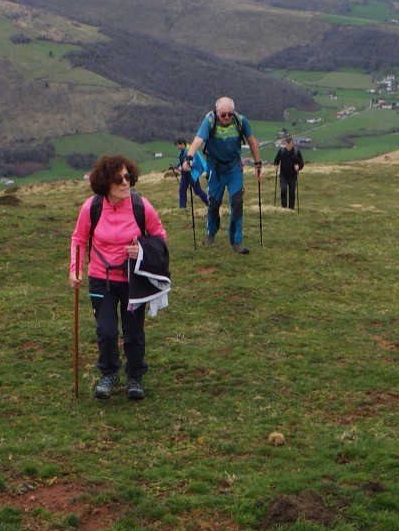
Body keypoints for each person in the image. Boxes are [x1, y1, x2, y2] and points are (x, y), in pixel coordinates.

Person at [69, 155, 167, 401]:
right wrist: (76, 270)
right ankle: (108, 375)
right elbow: (79, 240)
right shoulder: (91, 208)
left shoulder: (141, 206)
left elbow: (160, 238)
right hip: (100, 279)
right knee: (107, 331)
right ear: (105, 183)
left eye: (128, 177)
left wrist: (141, 250)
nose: (126, 183)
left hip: (133, 280)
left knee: (133, 332)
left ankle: (135, 377)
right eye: (119, 179)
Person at [181, 96, 262, 254]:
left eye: (230, 114)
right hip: (215, 170)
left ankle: (236, 241)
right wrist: (189, 158)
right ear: (216, 112)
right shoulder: (209, 122)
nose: (227, 117)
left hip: (234, 169)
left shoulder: (240, 121)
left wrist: (258, 164)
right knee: (213, 204)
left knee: (237, 202)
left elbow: (252, 141)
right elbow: (197, 141)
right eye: (223, 114)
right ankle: (211, 232)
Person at [174, 138, 209, 209]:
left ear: (183, 144)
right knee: (182, 190)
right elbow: (181, 162)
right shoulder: (182, 152)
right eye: (176, 146)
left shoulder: (191, 151)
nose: (177, 148)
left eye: (178, 146)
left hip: (192, 175)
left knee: (197, 191)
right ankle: (182, 207)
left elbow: (194, 162)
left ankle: (209, 204)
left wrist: (187, 164)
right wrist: (175, 166)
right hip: (185, 175)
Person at [271, 137, 304, 209]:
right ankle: (284, 207)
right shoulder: (282, 151)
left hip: (292, 176)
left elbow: (301, 164)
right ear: (285, 144)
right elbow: (276, 160)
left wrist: (298, 167)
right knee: (283, 189)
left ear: (292, 144)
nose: (288, 147)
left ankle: (291, 208)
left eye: (290, 145)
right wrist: (276, 166)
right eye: (287, 145)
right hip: (283, 175)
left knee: (292, 192)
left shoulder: (296, 152)